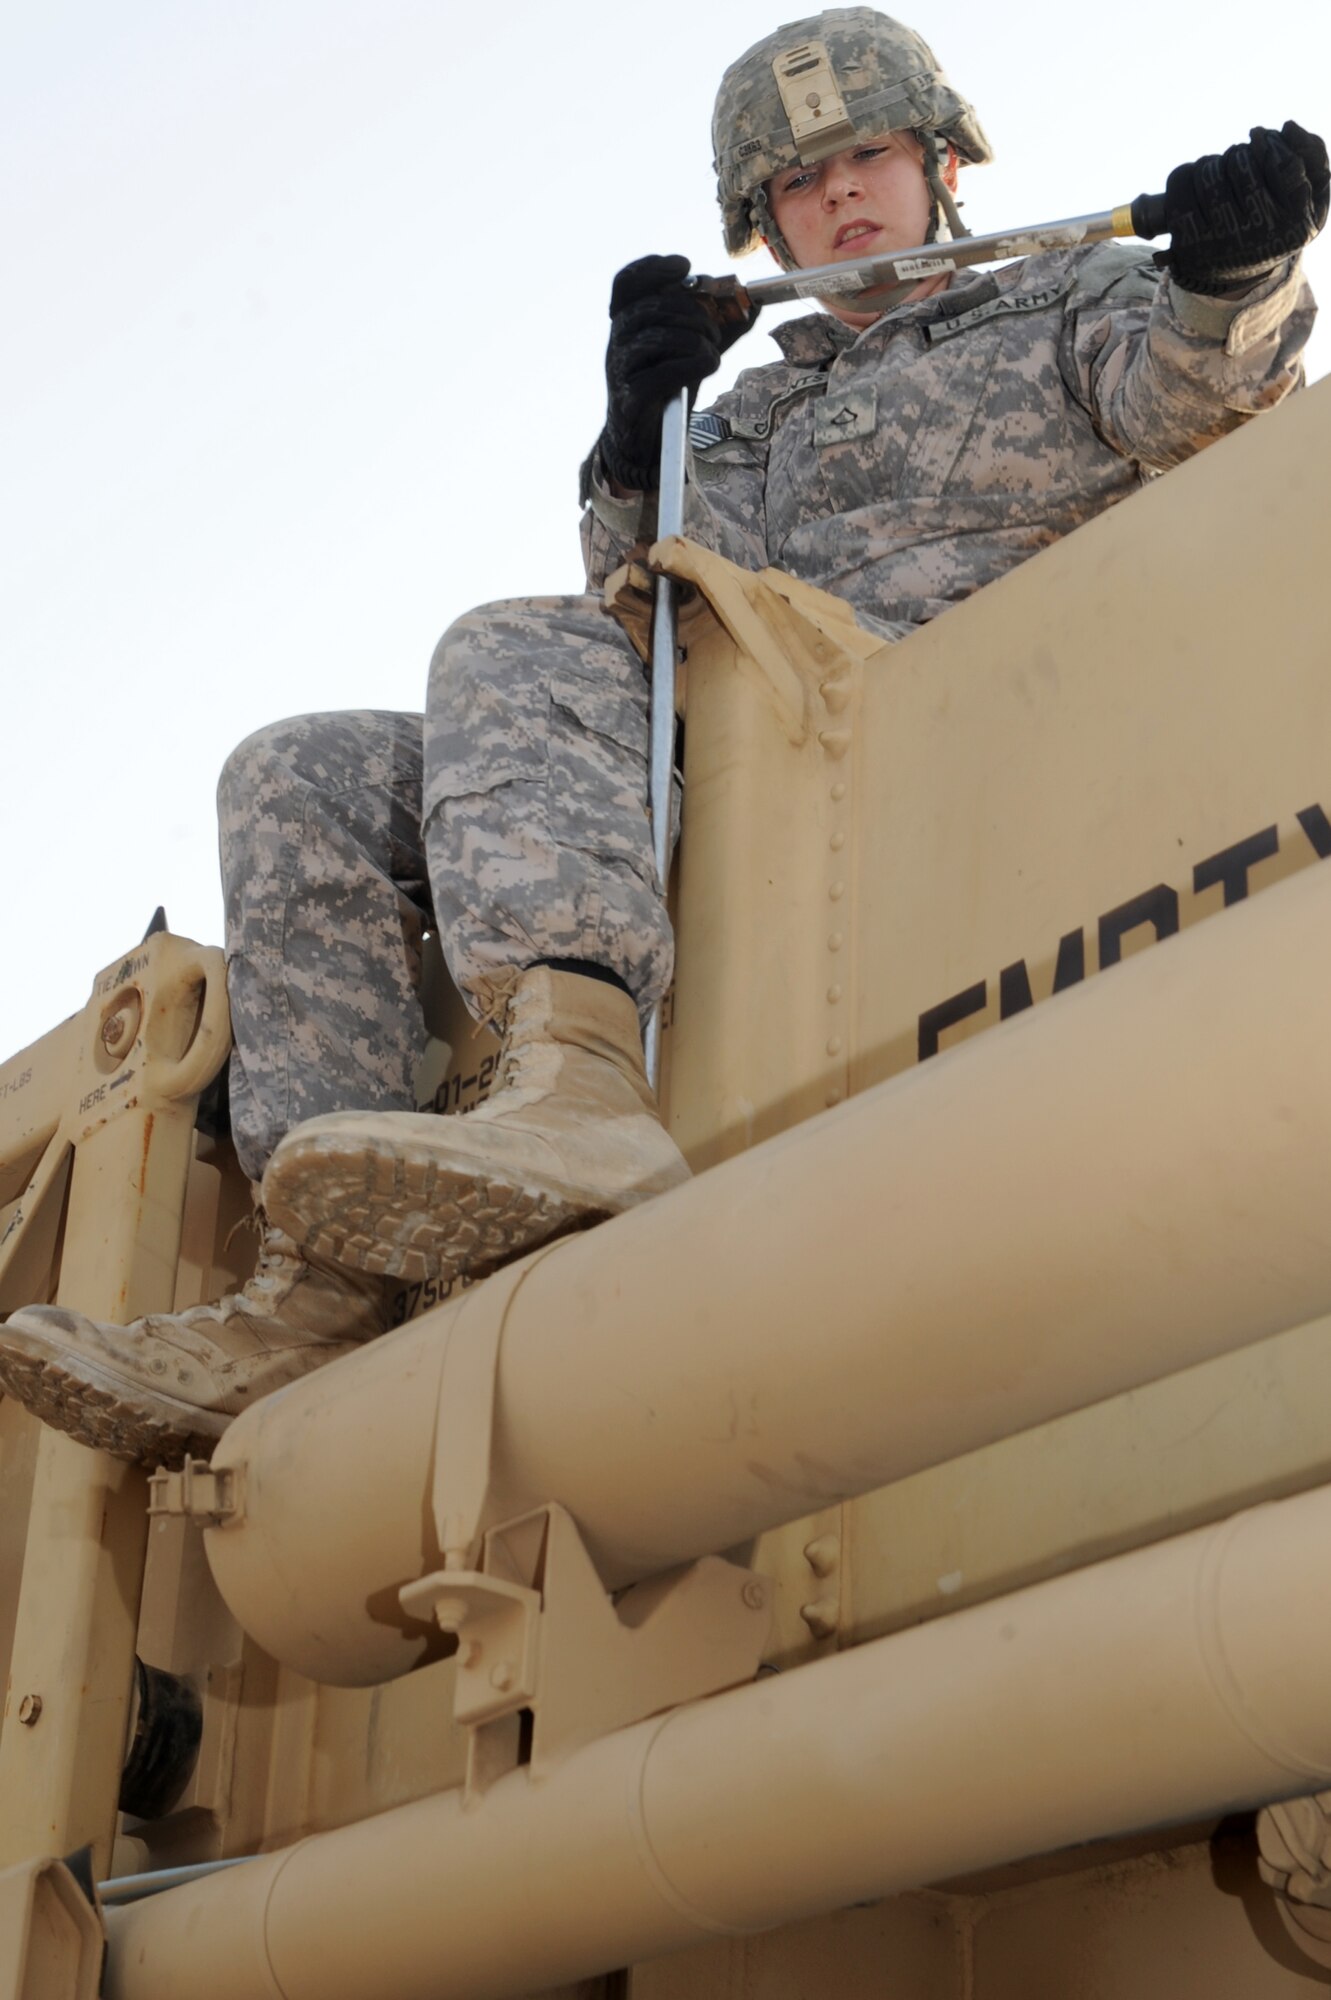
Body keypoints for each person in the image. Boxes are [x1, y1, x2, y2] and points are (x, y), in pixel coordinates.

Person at [0, 8, 1322, 1466]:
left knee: (496, 644)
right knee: (295, 771)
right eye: (795, 186)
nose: (836, 198)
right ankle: (314, 1289)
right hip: (710, 751)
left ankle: (576, 1081)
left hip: (908, 728)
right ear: (764, 225)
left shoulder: (1073, 296)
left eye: (866, 154)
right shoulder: (746, 415)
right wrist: (640, 438)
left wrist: (1233, 270)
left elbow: (1202, 397)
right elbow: (622, 619)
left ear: (941, 161)